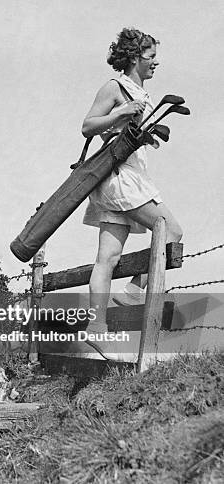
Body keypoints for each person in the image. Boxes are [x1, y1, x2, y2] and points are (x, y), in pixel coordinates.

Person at [82, 28, 183, 334]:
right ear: (135, 57)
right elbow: (88, 126)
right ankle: (134, 292)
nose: (156, 63)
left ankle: (96, 325)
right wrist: (122, 112)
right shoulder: (115, 87)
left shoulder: (142, 92)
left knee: (107, 258)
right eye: (151, 57)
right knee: (172, 232)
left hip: (124, 176)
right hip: (120, 179)